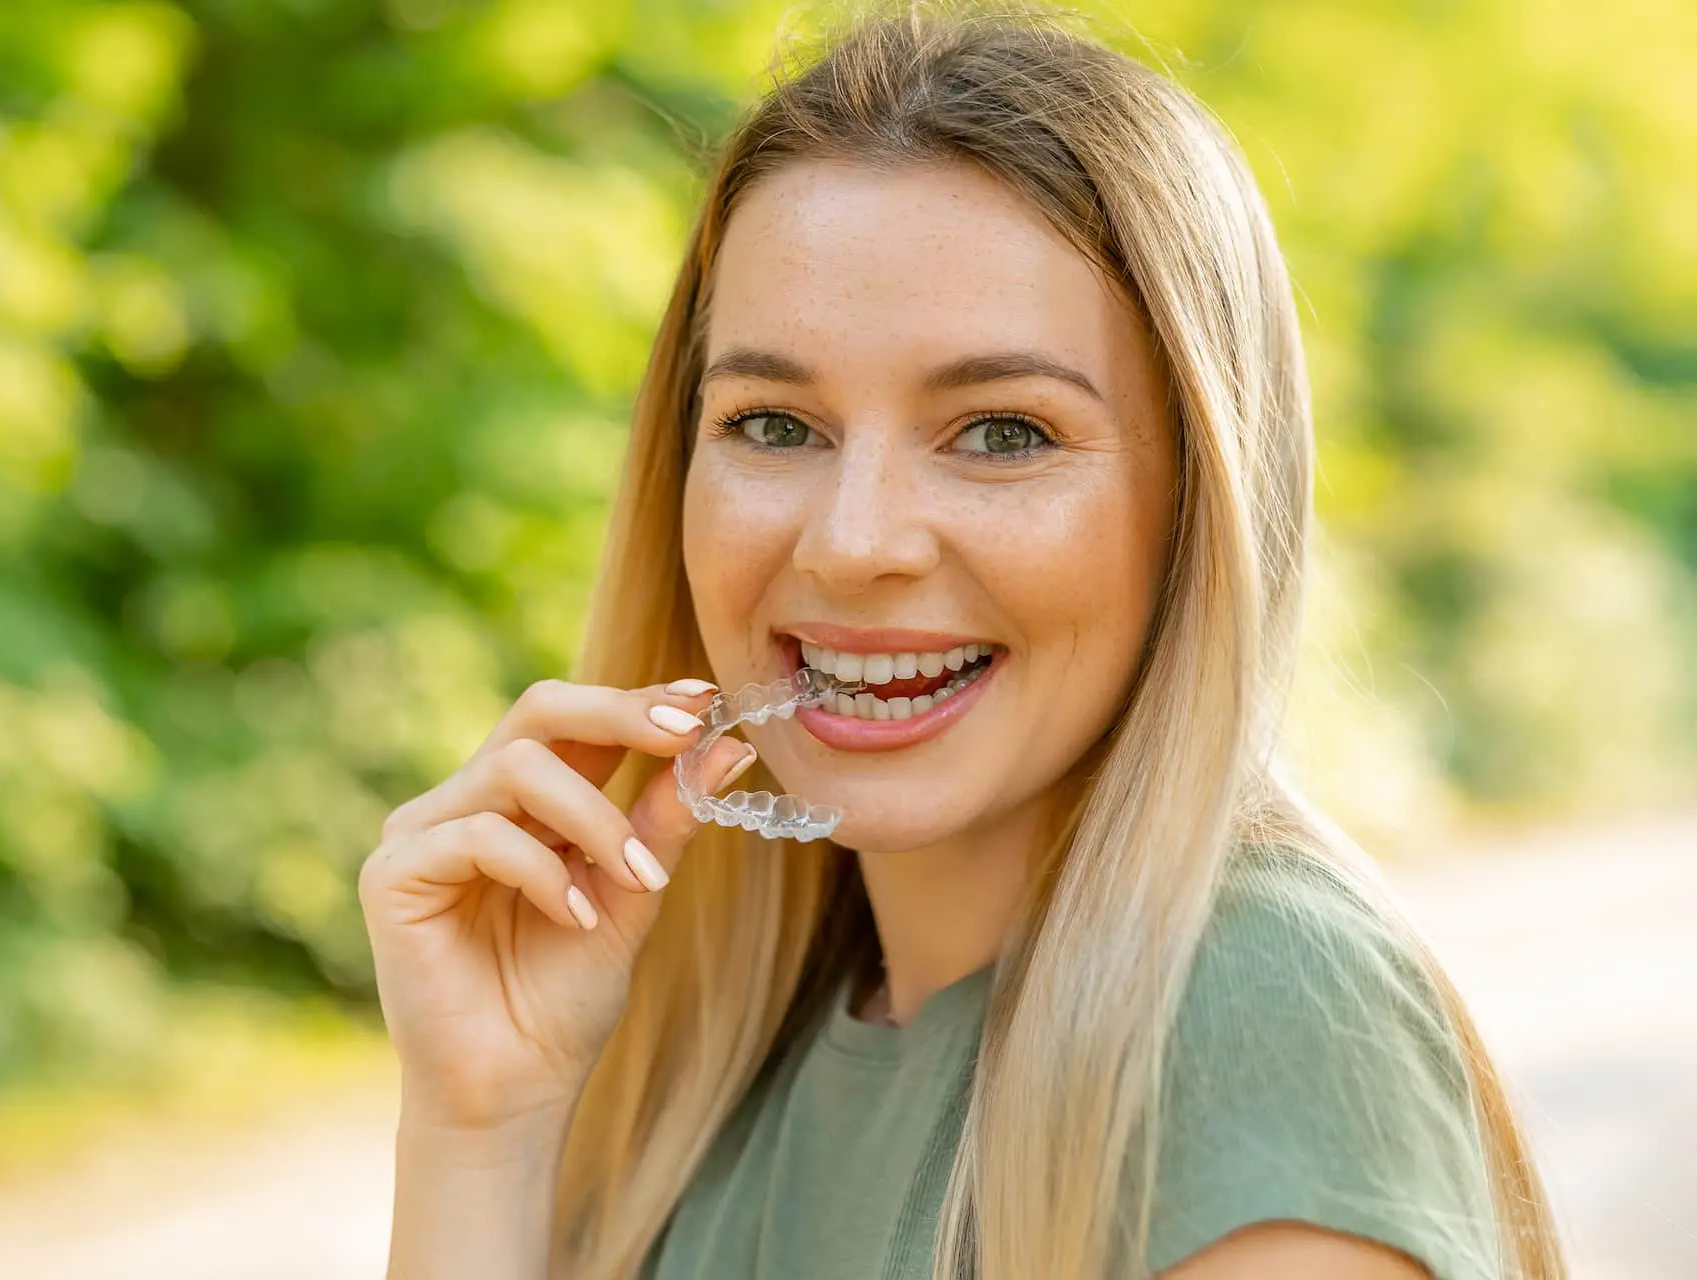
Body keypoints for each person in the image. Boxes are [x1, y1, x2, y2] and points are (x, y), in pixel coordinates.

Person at [359, 7, 1568, 1278]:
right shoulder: (717, 1063)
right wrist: (480, 1126)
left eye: (1002, 432)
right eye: (774, 424)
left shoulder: (1259, 1021)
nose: (851, 541)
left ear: (1197, 505)